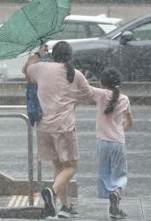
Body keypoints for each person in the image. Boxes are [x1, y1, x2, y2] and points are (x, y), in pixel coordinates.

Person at [22, 41, 92, 218]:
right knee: (71, 166)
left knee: (59, 166)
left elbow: (26, 69)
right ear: (70, 56)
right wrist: (73, 99)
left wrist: (38, 52)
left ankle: (65, 206)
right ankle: (51, 192)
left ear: (53, 56)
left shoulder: (41, 68)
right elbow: (88, 95)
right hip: (64, 127)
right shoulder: (76, 75)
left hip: (44, 127)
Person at [88, 69, 132, 219]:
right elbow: (129, 122)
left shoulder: (100, 95)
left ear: (102, 83)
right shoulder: (125, 99)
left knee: (105, 174)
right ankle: (116, 194)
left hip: (102, 142)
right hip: (118, 142)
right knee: (120, 175)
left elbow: (84, 88)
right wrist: (120, 131)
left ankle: (113, 204)